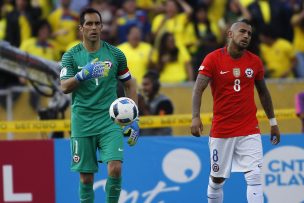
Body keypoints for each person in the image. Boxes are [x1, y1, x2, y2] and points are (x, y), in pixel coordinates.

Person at [191, 19, 280, 203]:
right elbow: (198, 88)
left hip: (249, 128)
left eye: (249, 33)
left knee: (255, 175)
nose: (246, 35)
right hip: (222, 130)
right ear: (230, 34)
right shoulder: (213, 59)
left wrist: (273, 122)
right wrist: (195, 117)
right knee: (217, 179)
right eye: (242, 31)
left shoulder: (254, 61)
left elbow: (263, 92)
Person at [59, 8, 139, 203]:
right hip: (82, 122)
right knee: (86, 177)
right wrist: (82, 75)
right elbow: (64, 87)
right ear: (81, 28)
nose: (93, 28)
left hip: (109, 121)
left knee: (115, 167)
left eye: (97, 24)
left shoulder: (115, 54)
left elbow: (130, 83)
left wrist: (134, 119)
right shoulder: (70, 56)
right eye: (89, 24)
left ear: (102, 26)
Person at [140, 71, 174, 136]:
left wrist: (143, 108)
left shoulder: (165, 102)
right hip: (145, 141)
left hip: (161, 141)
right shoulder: (145, 101)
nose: (143, 88)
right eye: (143, 85)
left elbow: (158, 124)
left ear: (155, 85)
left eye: (146, 84)